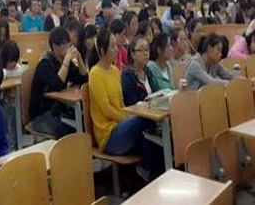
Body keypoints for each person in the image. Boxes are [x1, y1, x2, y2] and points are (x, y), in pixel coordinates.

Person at [89, 29, 163, 180]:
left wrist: (128, 116)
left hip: (123, 127)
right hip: (109, 136)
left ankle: (150, 179)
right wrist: (128, 118)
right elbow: (107, 110)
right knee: (144, 118)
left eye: (117, 46)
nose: (117, 50)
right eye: (112, 46)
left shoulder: (116, 71)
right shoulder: (95, 73)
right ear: (102, 50)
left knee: (157, 146)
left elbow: (121, 103)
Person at [30, 28, 88, 137]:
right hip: (42, 115)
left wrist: (79, 58)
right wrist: (66, 60)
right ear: (55, 46)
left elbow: (83, 79)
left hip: (59, 111)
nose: (68, 48)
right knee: (72, 130)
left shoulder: (64, 62)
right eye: (64, 45)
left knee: (85, 121)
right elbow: (57, 85)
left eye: (68, 44)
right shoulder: (44, 64)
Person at [121, 35, 151, 106]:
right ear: (133, 54)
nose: (145, 53)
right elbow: (131, 103)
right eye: (141, 50)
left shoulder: (148, 72)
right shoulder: (127, 76)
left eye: (147, 49)